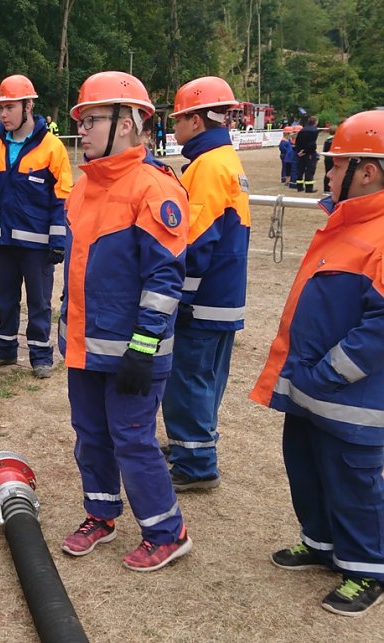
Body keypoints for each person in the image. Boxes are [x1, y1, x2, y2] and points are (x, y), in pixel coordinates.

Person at [250, 110, 384, 617]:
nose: (326, 173)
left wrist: (329, 373)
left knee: (354, 483)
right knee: (307, 470)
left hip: (350, 398)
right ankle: (321, 543)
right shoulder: (346, 220)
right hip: (312, 390)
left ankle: (367, 568)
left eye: (335, 164)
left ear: (365, 171)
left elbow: (380, 329)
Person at [59, 71, 192, 572]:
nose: (84, 130)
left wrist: (142, 347)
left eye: (92, 119)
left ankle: (167, 531)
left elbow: (164, 279)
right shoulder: (84, 186)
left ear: (130, 123)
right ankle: (101, 513)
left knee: (133, 440)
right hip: (85, 347)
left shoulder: (154, 188)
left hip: (134, 353)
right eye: (83, 120)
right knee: (90, 434)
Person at [162, 76, 250, 491]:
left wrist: (177, 296)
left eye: (177, 119)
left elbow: (195, 242)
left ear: (196, 121)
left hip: (202, 300)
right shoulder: (226, 161)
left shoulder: (208, 167)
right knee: (207, 378)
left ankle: (195, 465)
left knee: (188, 379)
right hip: (223, 297)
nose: (173, 127)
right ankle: (192, 446)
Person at [0, 74, 73, 379]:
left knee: (39, 302)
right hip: (3, 241)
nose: (3, 114)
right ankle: (4, 349)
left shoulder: (52, 148)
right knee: (5, 298)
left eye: (10, 107)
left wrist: (58, 240)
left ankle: (41, 355)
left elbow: (62, 197)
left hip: (38, 245)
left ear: (28, 106)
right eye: (1, 108)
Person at [294, 114, 319, 193]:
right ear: (315, 122)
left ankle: (299, 187)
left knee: (300, 170)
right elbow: (311, 144)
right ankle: (309, 188)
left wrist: (299, 151)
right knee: (310, 170)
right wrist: (305, 151)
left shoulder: (302, 130)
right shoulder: (314, 131)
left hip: (301, 153)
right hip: (309, 153)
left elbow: (297, 141)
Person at [322, 123, 337, 194]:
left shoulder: (326, 140)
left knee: (327, 173)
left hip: (327, 158)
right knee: (335, 174)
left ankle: (326, 189)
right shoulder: (336, 140)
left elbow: (324, 150)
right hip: (333, 158)